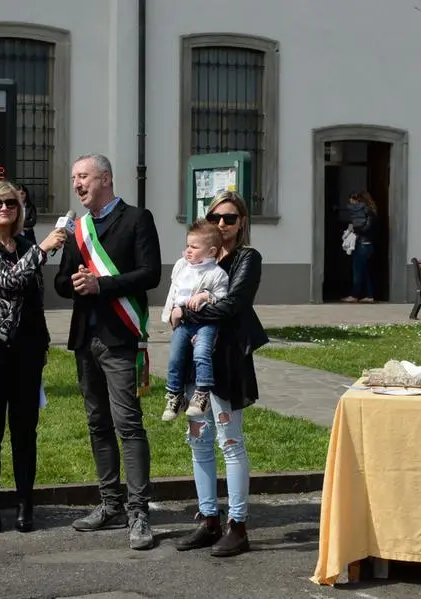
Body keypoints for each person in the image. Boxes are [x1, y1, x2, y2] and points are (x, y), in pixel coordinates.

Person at [53, 153, 161, 551]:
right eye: (74, 177)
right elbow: (62, 281)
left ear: (106, 179)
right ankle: (109, 503)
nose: (77, 184)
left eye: (83, 176)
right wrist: (77, 282)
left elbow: (151, 274)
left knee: (128, 425)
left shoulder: (137, 219)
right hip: (86, 338)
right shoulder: (78, 228)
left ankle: (139, 512)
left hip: (120, 336)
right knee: (97, 424)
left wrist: (103, 284)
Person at [0, 181, 66, 534]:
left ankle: (25, 504)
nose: (5, 209)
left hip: (27, 351)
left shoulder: (23, 244)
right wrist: (44, 249)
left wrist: (43, 344)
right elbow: (6, 280)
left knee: (25, 431)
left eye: (11, 203)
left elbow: (34, 300)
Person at [170, 190, 268, 558]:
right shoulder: (194, 260)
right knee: (198, 438)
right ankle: (209, 518)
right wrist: (179, 310)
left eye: (229, 218)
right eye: (215, 218)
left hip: (227, 363)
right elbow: (174, 297)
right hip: (197, 363)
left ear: (241, 222)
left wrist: (188, 314)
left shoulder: (246, 258)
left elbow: (233, 304)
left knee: (230, 441)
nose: (221, 224)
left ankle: (238, 525)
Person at [160, 220, 230, 421]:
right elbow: (173, 292)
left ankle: (202, 395)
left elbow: (222, 296)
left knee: (201, 354)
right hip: (183, 323)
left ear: (211, 251)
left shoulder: (217, 273)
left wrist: (205, 296)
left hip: (205, 323)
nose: (188, 250)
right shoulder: (183, 267)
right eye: (187, 246)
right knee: (175, 357)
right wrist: (172, 315)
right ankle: (175, 394)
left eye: (194, 247)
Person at [341, 190, 377, 303]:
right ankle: (369, 295)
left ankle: (354, 295)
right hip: (367, 245)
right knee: (364, 270)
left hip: (363, 245)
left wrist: (353, 229)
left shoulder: (365, 212)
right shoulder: (371, 211)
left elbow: (365, 229)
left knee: (357, 270)